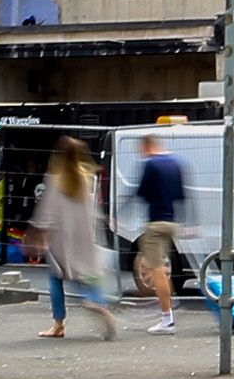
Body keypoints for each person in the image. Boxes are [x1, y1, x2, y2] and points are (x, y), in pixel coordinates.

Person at [28, 137, 116, 340]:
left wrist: (38, 231)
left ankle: (58, 324)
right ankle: (96, 301)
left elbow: (47, 212)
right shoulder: (87, 178)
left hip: (61, 237)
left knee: (55, 278)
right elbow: (95, 209)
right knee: (88, 275)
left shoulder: (55, 178)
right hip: (85, 234)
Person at [127, 132, 187, 332]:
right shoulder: (175, 163)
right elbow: (181, 194)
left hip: (156, 223)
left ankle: (167, 317)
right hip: (171, 222)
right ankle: (169, 304)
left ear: (146, 146)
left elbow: (142, 192)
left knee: (156, 269)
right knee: (160, 267)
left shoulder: (151, 164)